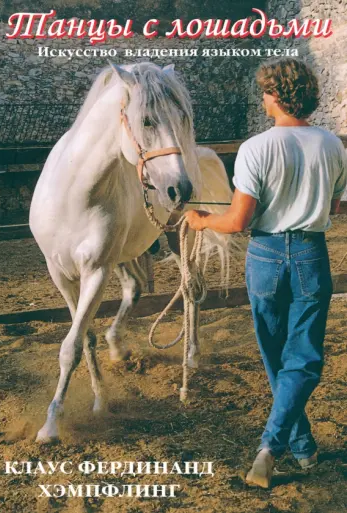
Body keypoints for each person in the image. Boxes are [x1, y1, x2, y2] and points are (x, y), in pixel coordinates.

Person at [185, 57, 347, 489]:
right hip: (312, 255)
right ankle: (301, 443)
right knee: (303, 359)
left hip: (266, 256)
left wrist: (201, 221)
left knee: (276, 356)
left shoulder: (256, 148)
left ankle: (271, 447)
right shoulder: (333, 145)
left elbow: (238, 221)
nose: (262, 98)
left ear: (276, 96)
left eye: (265, 91)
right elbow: (332, 207)